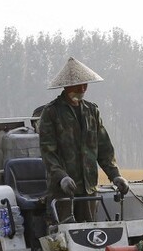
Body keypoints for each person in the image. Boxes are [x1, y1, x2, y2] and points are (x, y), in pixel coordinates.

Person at [36, 57, 128, 222]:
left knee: (91, 232)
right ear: (66, 86)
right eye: (78, 85)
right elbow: (48, 153)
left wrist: (115, 175)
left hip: (89, 190)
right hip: (63, 191)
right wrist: (61, 177)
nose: (82, 88)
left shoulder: (92, 111)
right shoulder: (51, 113)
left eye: (85, 84)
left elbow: (104, 148)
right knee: (65, 233)